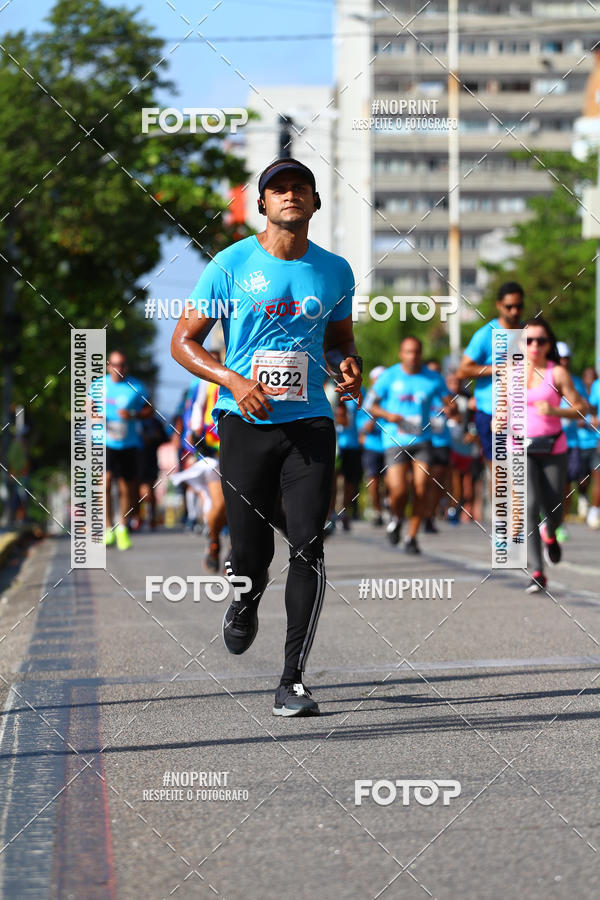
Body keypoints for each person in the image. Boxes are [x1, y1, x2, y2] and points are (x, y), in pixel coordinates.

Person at [171, 157, 362, 717]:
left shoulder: (334, 271)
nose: (290, 195)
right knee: (250, 551)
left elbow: (340, 339)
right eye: (277, 189)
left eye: (300, 187)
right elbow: (185, 342)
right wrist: (231, 378)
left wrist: (348, 366)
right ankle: (243, 600)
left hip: (309, 423)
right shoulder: (228, 266)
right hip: (244, 422)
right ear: (262, 204)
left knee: (308, 542)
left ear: (315, 202)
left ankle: (292, 679)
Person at [368, 336, 452, 554]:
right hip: (395, 441)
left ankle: (412, 537)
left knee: (421, 488)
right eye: (408, 352)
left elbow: (449, 402)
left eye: (416, 352)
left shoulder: (432, 378)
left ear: (421, 354)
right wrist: (389, 415)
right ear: (401, 354)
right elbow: (370, 405)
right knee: (398, 490)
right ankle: (396, 518)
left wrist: (451, 409)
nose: (412, 356)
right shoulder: (388, 376)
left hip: (422, 440)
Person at [523, 319, 586, 593]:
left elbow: (580, 407)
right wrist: (497, 421)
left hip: (553, 447)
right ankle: (537, 571)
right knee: (529, 505)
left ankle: (552, 533)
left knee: (554, 508)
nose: (535, 346)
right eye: (528, 340)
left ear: (549, 344)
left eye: (541, 340)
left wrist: (556, 412)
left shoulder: (557, 373)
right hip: (521, 448)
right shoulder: (510, 372)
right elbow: (501, 408)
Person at [457, 282, 525, 468]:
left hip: (524, 412)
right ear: (499, 305)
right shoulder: (486, 334)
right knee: (499, 470)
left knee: (523, 472)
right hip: (491, 411)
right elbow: (463, 370)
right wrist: (499, 368)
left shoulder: (530, 333)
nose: (514, 311)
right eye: (509, 306)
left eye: (518, 306)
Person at [103, 351, 153, 550]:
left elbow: (150, 410)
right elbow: (85, 407)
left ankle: (122, 527)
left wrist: (133, 414)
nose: (119, 369)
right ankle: (107, 528)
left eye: (122, 364)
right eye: (115, 364)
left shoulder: (136, 386)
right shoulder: (99, 386)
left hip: (129, 443)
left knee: (126, 488)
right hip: (104, 442)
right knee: (104, 482)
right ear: (108, 366)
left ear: (127, 366)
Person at [557, 342, 590, 534]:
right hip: (552, 440)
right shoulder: (546, 377)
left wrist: (581, 414)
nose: (564, 362)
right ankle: (547, 519)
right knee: (555, 484)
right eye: (560, 358)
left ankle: (560, 523)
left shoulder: (576, 381)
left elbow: (584, 406)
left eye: (566, 358)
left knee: (568, 484)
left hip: (573, 441)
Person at [357, 365, 386, 526]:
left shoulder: (391, 396)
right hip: (372, 445)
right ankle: (377, 511)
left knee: (392, 482)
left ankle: (389, 505)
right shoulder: (366, 397)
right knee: (373, 480)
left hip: (390, 445)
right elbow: (362, 426)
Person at [585, 368, 600, 529]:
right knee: (598, 478)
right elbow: (592, 407)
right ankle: (594, 510)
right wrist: (593, 419)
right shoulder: (597, 385)